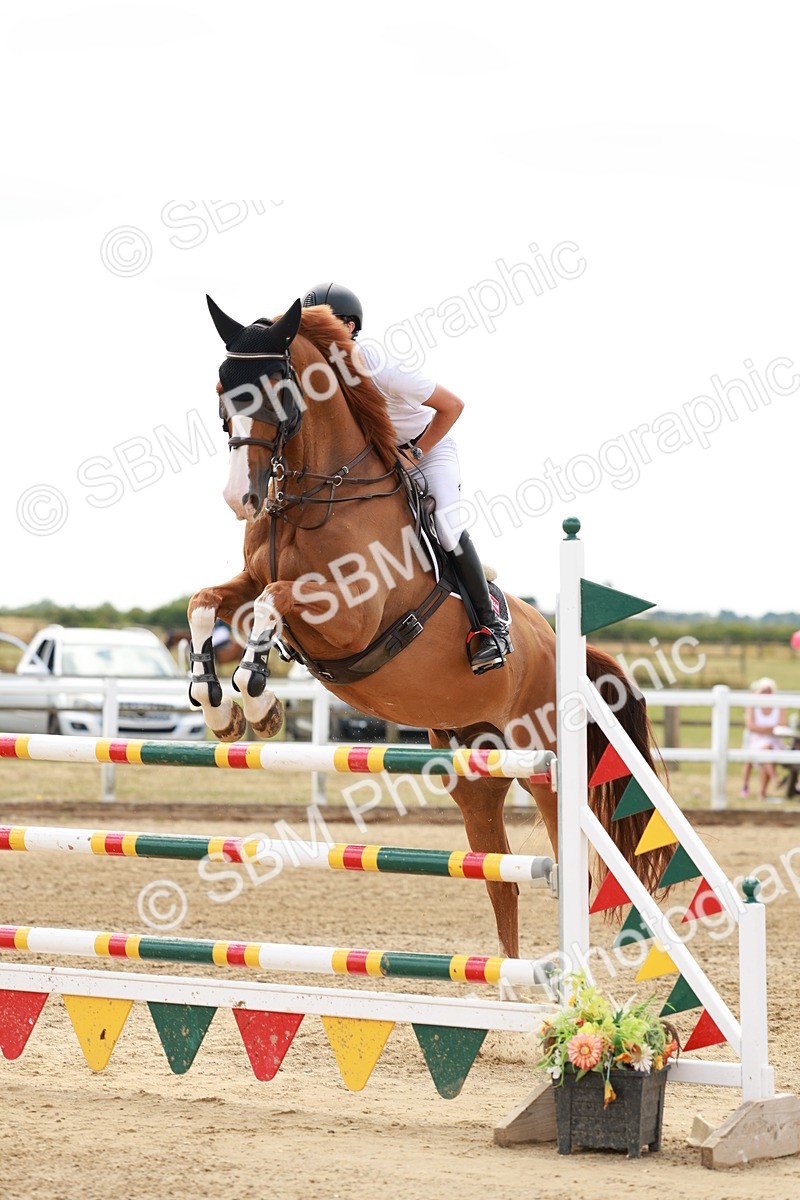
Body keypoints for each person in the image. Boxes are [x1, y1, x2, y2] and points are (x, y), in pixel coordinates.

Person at [301, 282, 511, 675]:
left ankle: (491, 624)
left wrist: (416, 451)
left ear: (348, 328)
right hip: (380, 460)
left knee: (446, 528)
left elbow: (451, 406)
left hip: (428, 449)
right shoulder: (319, 377)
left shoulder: (380, 367)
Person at [740, 677, 785, 802]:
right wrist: (770, 729)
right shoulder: (754, 705)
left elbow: (782, 725)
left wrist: (763, 729)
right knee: (765, 750)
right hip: (756, 741)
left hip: (773, 742)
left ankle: (764, 791)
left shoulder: (778, 705)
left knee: (767, 750)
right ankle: (773, 781)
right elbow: (751, 726)